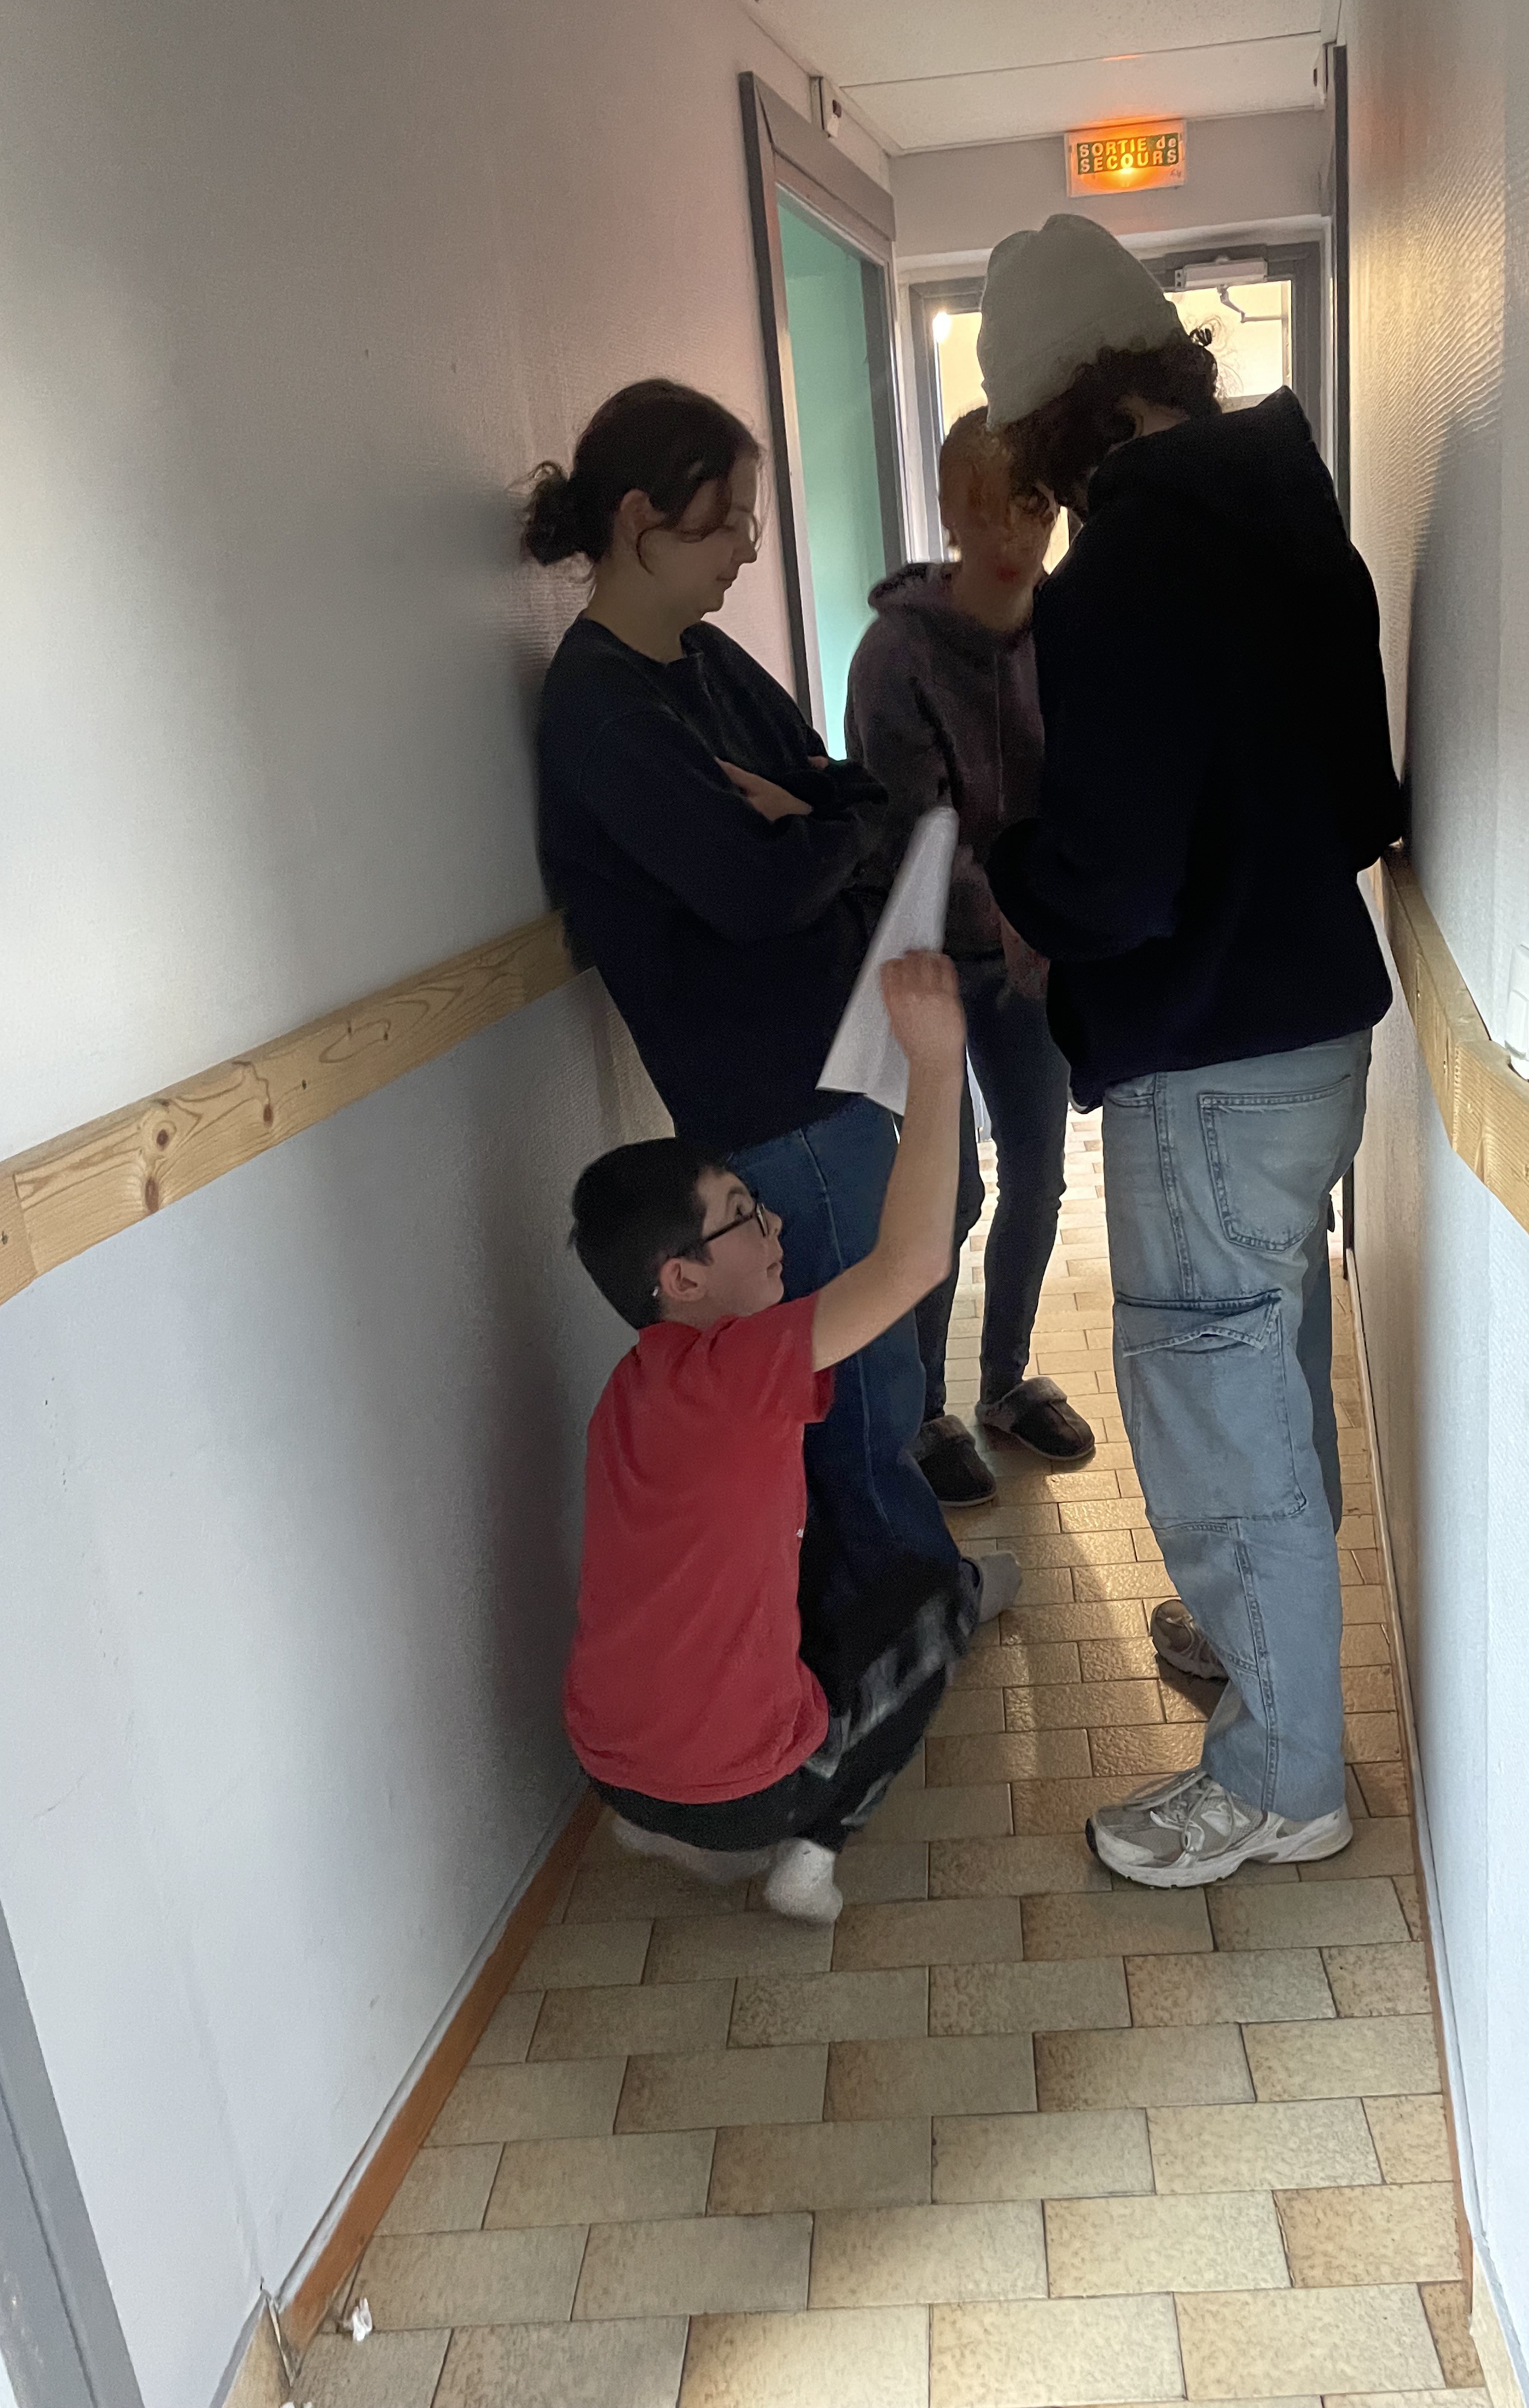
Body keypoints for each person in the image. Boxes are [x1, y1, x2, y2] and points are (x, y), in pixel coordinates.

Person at [976, 215, 1406, 1888]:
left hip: (1206, 1066)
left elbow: (1110, 888)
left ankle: (1284, 1778)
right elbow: (1363, 803)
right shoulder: (1294, 517)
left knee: (1219, 1429)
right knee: (1265, 1376)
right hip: (1313, 1038)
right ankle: (1255, 1651)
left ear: (1055, 424)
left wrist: (1015, 862)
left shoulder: (1125, 576)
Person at [526, 380, 995, 1702]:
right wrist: (814, 832)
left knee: (892, 1325)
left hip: (843, 1052)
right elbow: (752, 890)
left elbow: (852, 789)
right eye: (728, 519)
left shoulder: (702, 661)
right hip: (774, 1092)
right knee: (855, 1390)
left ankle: (909, 1599)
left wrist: (810, 819)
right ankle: (910, 1633)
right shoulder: (604, 714)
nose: (747, 546)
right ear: (640, 518)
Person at [562, 952, 1013, 1924]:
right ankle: (811, 1852)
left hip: (606, 1765)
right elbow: (911, 1264)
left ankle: (654, 1822)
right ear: (682, 1279)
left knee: (804, 1577)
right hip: (746, 1796)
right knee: (941, 1605)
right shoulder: (741, 1368)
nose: (775, 1226)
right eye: (743, 1217)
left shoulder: (630, 1389)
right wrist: (937, 1066)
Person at [845, 409, 1095, 1508]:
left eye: (1033, 507)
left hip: (1035, 967)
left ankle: (1004, 1382)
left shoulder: (1072, 631)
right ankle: (923, 1413)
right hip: (932, 969)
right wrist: (1025, 906)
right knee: (947, 1196)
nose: (1012, 534)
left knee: (1039, 1175)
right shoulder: (896, 654)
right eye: (985, 509)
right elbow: (911, 830)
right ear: (948, 510)